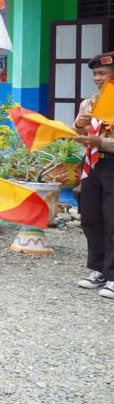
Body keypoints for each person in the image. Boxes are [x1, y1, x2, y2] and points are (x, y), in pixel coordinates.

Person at [73, 51, 114, 300]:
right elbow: (80, 134)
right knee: (91, 217)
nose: (97, 78)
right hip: (92, 164)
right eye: (94, 74)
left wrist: (102, 141)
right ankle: (98, 269)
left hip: (112, 164)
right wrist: (78, 126)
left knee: (113, 221)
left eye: (102, 73)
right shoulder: (89, 103)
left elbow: (101, 139)